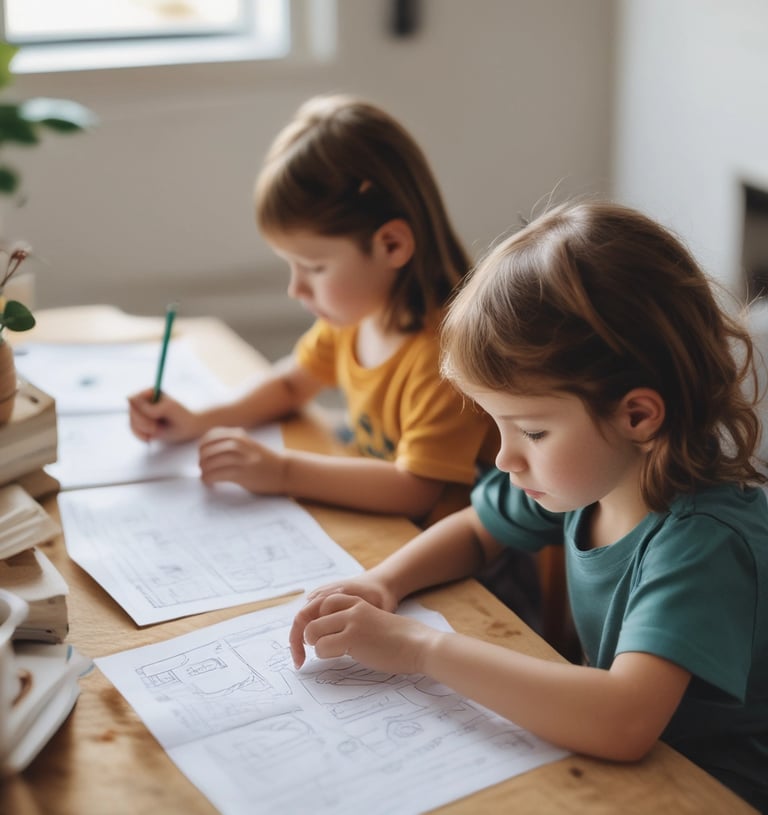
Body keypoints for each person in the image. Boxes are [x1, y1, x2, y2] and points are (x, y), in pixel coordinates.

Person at [289, 200, 768, 812]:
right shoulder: (593, 476)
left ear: (637, 415)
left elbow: (623, 720)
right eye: (498, 424)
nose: (505, 457)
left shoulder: (702, 542)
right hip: (615, 760)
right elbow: (477, 530)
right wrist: (385, 581)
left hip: (711, 786)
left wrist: (420, 648)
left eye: (533, 431)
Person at [128, 94, 498, 526]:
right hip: (382, 525)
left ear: (391, 245)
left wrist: (282, 471)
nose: (295, 288)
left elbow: (416, 490)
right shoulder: (355, 317)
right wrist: (200, 421)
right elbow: (291, 385)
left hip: (450, 547)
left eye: (314, 267)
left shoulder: (445, 359)